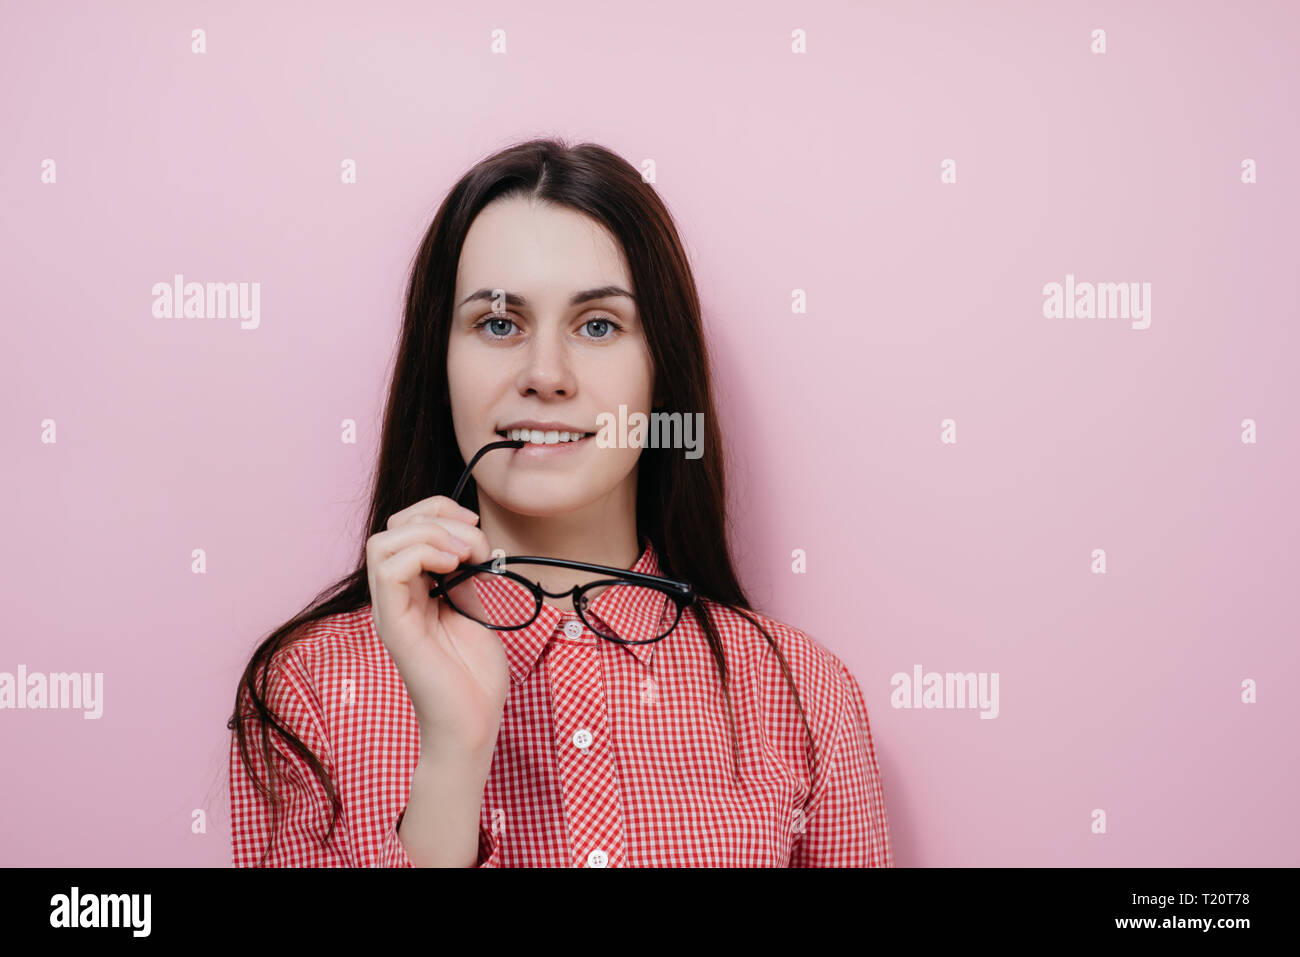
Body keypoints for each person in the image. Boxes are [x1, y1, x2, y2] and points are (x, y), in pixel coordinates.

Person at [228, 137, 893, 867]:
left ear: (661, 375)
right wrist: (451, 757)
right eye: (499, 324)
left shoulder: (802, 697)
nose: (545, 375)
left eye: (598, 325)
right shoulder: (309, 688)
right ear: (440, 363)